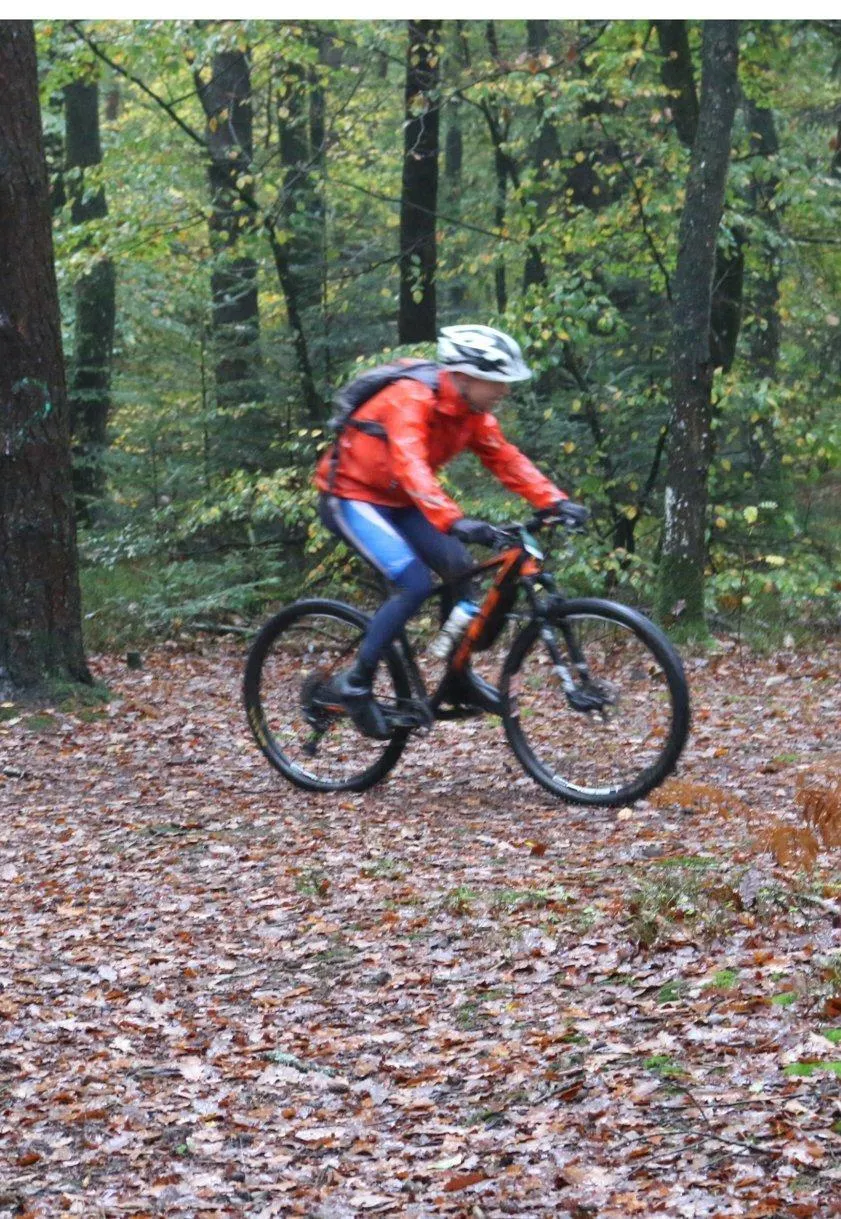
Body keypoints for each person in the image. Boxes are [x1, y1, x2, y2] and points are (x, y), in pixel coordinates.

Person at [314, 324, 575, 739]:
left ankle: (458, 679)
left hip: (403, 502)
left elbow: (506, 459)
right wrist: (453, 520)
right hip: (351, 496)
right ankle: (356, 684)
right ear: (465, 376)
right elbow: (410, 464)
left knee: (460, 569)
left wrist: (554, 501)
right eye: (497, 381)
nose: (504, 390)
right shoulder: (410, 398)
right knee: (414, 582)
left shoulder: (472, 415)